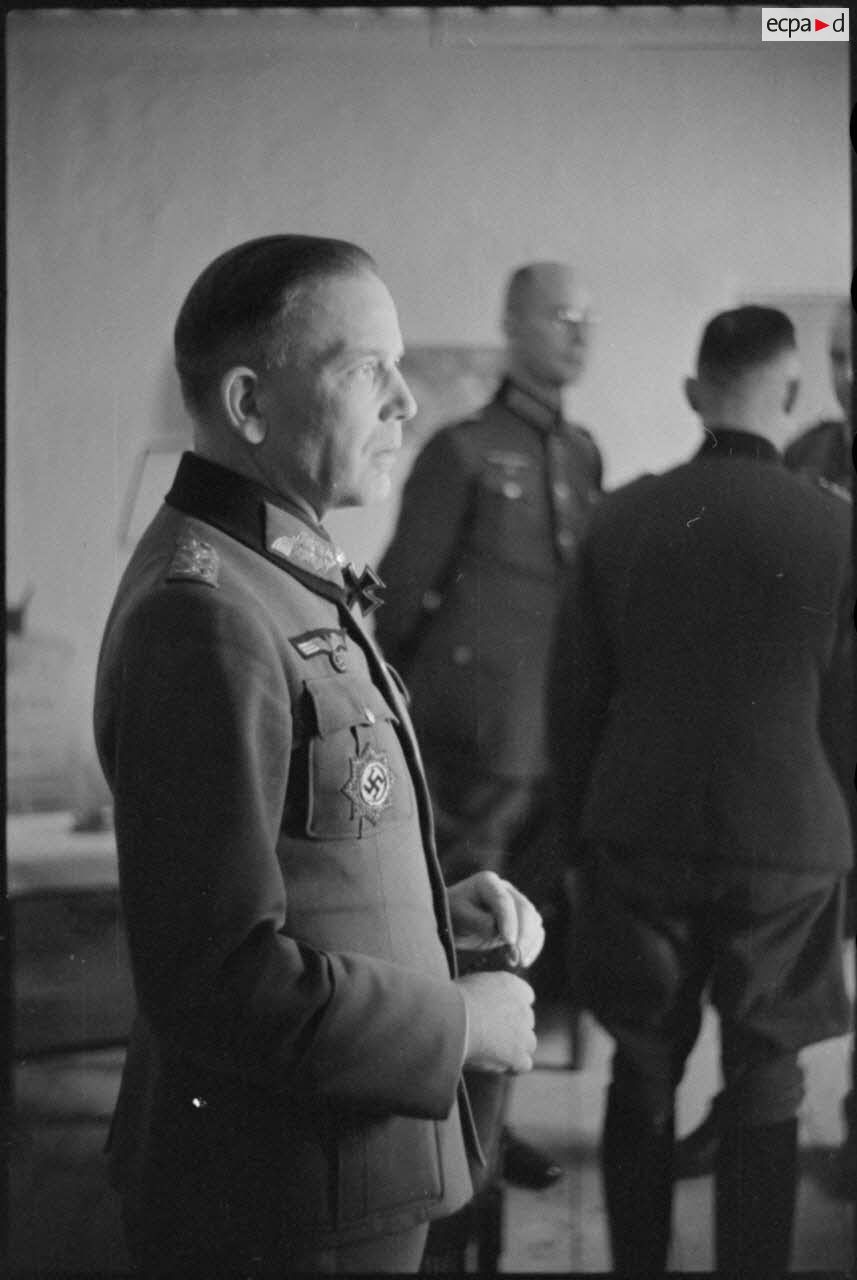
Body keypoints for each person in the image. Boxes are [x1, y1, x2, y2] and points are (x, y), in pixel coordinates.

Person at [93, 235, 546, 1276]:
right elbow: (213, 974)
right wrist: (456, 1024)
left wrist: (431, 914)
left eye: (399, 367)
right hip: (283, 1194)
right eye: (363, 370)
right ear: (249, 404)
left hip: (333, 1169)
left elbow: (300, 857)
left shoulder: (274, 572)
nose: (405, 402)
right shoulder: (206, 612)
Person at [547, 306, 853, 1275]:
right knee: (767, 1075)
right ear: (791, 393)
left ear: (692, 392)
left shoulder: (620, 517)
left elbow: (571, 703)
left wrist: (574, 841)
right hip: (790, 841)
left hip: (639, 828)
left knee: (639, 1065)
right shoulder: (837, 527)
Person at [375, 261, 602, 1226]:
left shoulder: (580, 452)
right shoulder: (462, 449)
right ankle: (449, 1156)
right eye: (560, 316)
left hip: (553, 745)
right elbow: (397, 603)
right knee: (468, 944)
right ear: (512, 325)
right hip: (474, 746)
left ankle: (488, 1132)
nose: (579, 333)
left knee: (524, 948)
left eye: (587, 319)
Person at [674, 296, 854, 1185]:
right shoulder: (810, 455)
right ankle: (745, 1115)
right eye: (840, 357)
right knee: (774, 988)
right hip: (803, 761)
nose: (849, 377)